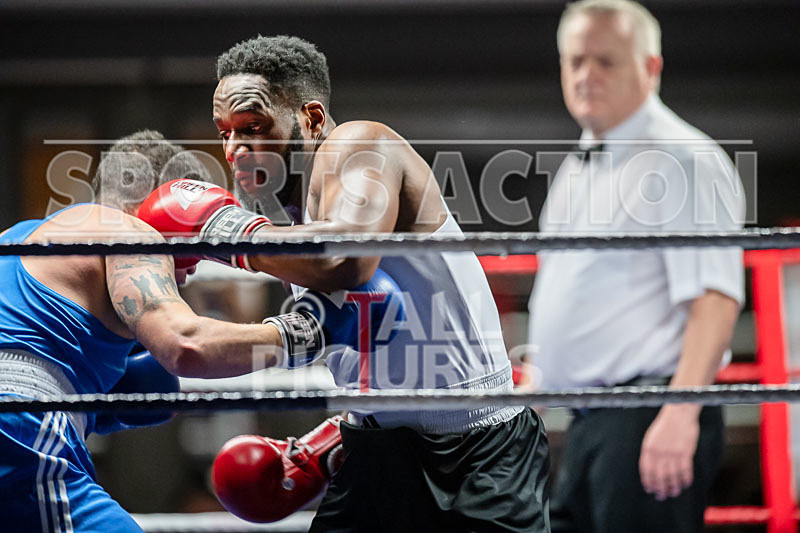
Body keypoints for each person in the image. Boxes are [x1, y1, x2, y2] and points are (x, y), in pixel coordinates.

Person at [140, 35, 551, 532]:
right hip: (372, 449)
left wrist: (221, 232)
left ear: (311, 118)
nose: (234, 149)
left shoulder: (360, 144)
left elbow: (345, 258)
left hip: (477, 453)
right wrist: (331, 439)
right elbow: (361, 336)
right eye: (224, 132)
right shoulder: (286, 219)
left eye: (252, 127)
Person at [0, 130, 329, 533]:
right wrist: (310, 333)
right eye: (196, 236)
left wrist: (95, 406)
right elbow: (186, 345)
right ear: (167, 204)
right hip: (20, 429)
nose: (195, 264)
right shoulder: (127, 233)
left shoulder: (24, 238)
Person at [527, 1, 744, 532]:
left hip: (650, 414)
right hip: (588, 422)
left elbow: (715, 300)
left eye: (606, 60)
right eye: (575, 60)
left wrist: (680, 414)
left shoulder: (681, 159)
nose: (587, 74)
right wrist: (536, 385)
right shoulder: (580, 165)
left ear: (650, 67)